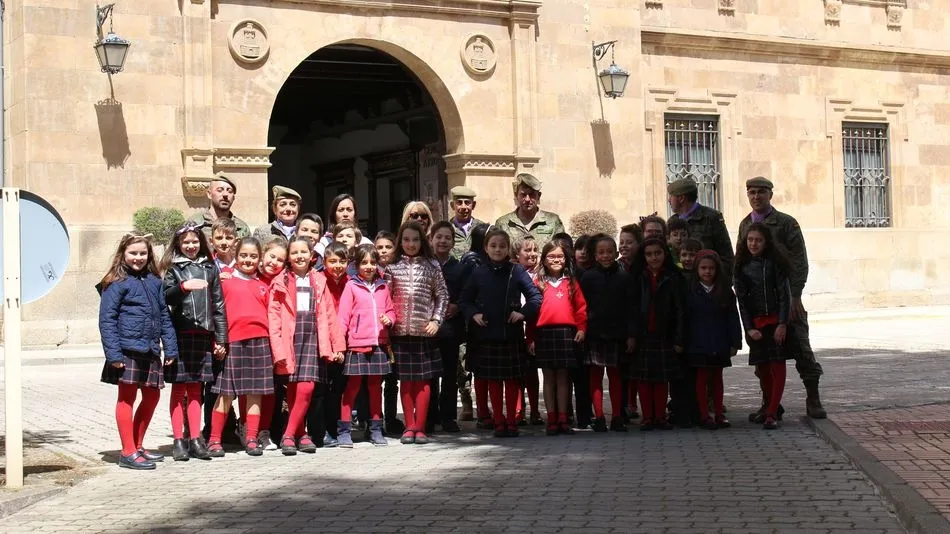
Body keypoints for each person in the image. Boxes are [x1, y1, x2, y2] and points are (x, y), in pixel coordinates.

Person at [739, 176, 826, 420]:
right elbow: (741, 260)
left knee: (801, 349)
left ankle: (813, 398)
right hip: (759, 304)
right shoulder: (746, 224)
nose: (756, 196)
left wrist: (795, 294)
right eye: (752, 192)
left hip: (786, 298)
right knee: (763, 358)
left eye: (761, 192)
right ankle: (770, 404)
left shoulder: (786, 223)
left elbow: (799, 261)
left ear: (770, 194)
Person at [98, 233, 178, 470]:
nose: (138, 257)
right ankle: (127, 452)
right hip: (127, 350)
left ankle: (137, 445)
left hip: (150, 349)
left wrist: (170, 348)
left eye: (143, 253)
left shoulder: (154, 281)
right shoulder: (116, 283)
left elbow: (164, 315)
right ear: (123, 254)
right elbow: (107, 320)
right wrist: (113, 355)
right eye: (133, 253)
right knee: (127, 398)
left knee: (152, 396)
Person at [460, 228, 542, 438]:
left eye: (502, 246)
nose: (498, 250)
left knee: (512, 380)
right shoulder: (478, 272)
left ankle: (512, 422)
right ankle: (498, 421)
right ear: (486, 248)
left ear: (508, 249)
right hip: (486, 335)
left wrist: (522, 313)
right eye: (493, 246)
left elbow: (535, 297)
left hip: (510, 334)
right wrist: (474, 314)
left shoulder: (517, 271)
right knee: (494, 381)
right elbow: (465, 300)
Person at [269, 236, 345, 454]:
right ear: (288, 257)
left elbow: (329, 315)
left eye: (303, 252)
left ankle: (288, 434)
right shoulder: (280, 281)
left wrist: (337, 346)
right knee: (293, 388)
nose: (299, 256)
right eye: (294, 252)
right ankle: (301, 434)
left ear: (312, 256)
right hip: (290, 339)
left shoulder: (319, 281)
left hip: (313, 338)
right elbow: (274, 317)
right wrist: (278, 350)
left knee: (308, 386)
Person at [160, 222, 226, 461]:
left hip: (203, 335)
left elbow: (218, 304)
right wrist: (183, 288)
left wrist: (221, 338)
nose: (191, 245)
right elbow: (166, 297)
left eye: (195, 241)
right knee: (179, 389)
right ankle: (179, 440)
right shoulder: (173, 269)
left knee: (197, 389)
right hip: (181, 334)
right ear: (178, 244)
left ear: (201, 243)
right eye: (185, 242)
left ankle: (196, 439)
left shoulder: (210, 268)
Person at [207, 238, 274, 457]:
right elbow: (216, 315)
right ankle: (214, 439)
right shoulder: (224, 281)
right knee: (225, 393)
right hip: (233, 342)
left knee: (255, 393)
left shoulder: (264, 284)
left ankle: (252, 438)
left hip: (260, 341)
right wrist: (218, 341)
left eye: (253, 256)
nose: (248, 260)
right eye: (244, 255)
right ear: (236, 256)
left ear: (259, 258)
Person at [385, 221, 449, 445]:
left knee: (423, 381)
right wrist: (389, 321)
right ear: (400, 242)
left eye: (415, 240)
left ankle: (420, 426)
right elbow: (386, 298)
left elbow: (442, 295)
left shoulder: (432, 265)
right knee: (406, 381)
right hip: (400, 332)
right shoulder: (392, 267)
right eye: (406, 240)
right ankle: (409, 426)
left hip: (424, 332)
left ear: (422, 241)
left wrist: (436, 320)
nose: (410, 244)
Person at [735, 223, 798, 430]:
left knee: (777, 367)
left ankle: (771, 413)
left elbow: (784, 295)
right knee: (762, 370)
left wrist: (782, 323)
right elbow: (742, 302)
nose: (753, 244)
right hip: (756, 326)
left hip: (775, 323)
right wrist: (749, 328)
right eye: (750, 240)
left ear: (766, 242)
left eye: (758, 240)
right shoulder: (741, 266)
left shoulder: (775, 263)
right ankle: (770, 406)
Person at [336, 244, 396, 447]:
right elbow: (343, 317)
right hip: (357, 344)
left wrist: (389, 319)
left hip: (379, 343)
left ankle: (376, 428)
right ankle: (344, 430)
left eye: (372, 262)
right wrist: (340, 345)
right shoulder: (351, 286)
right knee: (352, 387)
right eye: (364, 262)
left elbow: (390, 310)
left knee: (375, 387)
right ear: (356, 265)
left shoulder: (383, 286)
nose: (369, 266)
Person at [527, 241, 587, 436]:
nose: (556, 260)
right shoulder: (537, 283)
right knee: (548, 378)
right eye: (551, 256)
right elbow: (532, 315)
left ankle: (563, 418)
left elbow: (581, 309)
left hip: (565, 333)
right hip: (544, 334)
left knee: (563, 378)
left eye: (560, 256)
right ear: (544, 260)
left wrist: (581, 328)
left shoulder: (571, 283)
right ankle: (551, 418)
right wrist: (530, 338)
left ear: (566, 259)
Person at [579, 234, 635, 432]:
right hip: (594, 334)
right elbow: (581, 306)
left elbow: (631, 308)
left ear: (616, 252)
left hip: (617, 334)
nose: (606, 256)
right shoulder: (588, 277)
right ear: (595, 255)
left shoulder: (624, 277)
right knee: (595, 376)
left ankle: (617, 416)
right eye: (601, 252)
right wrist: (582, 329)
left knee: (616, 376)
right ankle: (599, 417)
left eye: (610, 252)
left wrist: (631, 335)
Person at [630, 238, 687, 431]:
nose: (654, 257)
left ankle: (661, 416)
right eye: (649, 254)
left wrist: (679, 338)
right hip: (643, 335)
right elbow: (631, 308)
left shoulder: (673, 277)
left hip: (665, 334)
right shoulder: (637, 277)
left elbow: (680, 310)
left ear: (665, 254)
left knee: (662, 379)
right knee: (644, 380)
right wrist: (632, 335)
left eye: (658, 253)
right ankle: (647, 417)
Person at [685, 250, 741, 430]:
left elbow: (733, 317)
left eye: (711, 268)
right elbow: (685, 318)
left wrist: (735, 342)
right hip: (698, 341)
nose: (707, 272)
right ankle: (703, 414)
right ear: (697, 269)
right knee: (701, 378)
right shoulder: (690, 290)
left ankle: (718, 413)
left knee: (717, 377)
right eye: (703, 268)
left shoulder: (725, 291)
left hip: (719, 340)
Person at [428, 221, 467, 433]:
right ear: (431, 239)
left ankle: (448, 416)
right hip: (428, 328)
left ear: (453, 242)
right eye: (439, 237)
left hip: (451, 328)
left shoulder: (459, 267)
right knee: (430, 374)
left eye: (447, 237)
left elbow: (467, 292)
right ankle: (430, 415)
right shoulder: (425, 264)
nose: (443, 241)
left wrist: (458, 305)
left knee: (450, 373)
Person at [318, 241, 351, 447]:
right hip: (325, 342)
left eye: (342, 261)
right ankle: (324, 429)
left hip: (346, 342)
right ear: (324, 262)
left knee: (340, 389)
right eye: (332, 261)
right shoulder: (319, 281)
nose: (337, 265)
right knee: (324, 390)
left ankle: (339, 428)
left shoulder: (351, 282)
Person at [666, 178, 734, 276]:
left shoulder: (711, 217)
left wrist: (718, 281)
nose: (669, 200)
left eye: (671, 196)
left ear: (681, 198)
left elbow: (726, 256)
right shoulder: (672, 221)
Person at [257, 238, 288, 450]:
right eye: (272, 256)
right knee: (252, 389)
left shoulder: (283, 282)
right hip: (255, 340)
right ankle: (248, 428)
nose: (274, 262)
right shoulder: (251, 277)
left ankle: (265, 431)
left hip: (276, 342)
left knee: (271, 389)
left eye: (280, 260)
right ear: (263, 255)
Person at [460, 223, 492, 427]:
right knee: (479, 368)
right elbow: (467, 293)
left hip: (494, 321)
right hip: (476, 322)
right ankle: (481, 411)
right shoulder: (472, 260)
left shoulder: (494, 260)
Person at [374, 231, 404, 434]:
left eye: (388, 247)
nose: (384, 251)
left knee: (393, 380)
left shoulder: (399, 270)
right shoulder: (370, 271)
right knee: (376, 381)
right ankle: (374, 420)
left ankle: (391, 418)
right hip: (376, 333)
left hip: (396, 331)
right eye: (380, 247)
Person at [512, 235, 542, 425]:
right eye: (527, 250)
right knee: (517, 373)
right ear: (517, 254)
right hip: (515, 327)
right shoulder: (511, 273)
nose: (532, 254)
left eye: (535, 250)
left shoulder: (541, 275)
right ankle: (518, 410)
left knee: (531, 372)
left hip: (534, 327)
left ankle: (535, 410)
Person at [494, 173, 566, 250]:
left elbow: (563, 249)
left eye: (532, 195)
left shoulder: (553, 221)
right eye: (523, 195)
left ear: (539, 196)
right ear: (516, 195)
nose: (527, 199)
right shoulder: (503, 223)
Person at [187, 172, 251, 240]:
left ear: (233, 197)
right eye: (220, 190)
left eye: (229, 191)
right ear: (209, 194)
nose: (225, 194)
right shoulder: (195, 224)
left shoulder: (241, 228)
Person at [449, 186, 486, 259]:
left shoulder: (483, 228)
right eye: (459, 203)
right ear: (452, 205)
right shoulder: (447, 229)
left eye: (467, 203)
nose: (463, 207)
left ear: (473, 205)